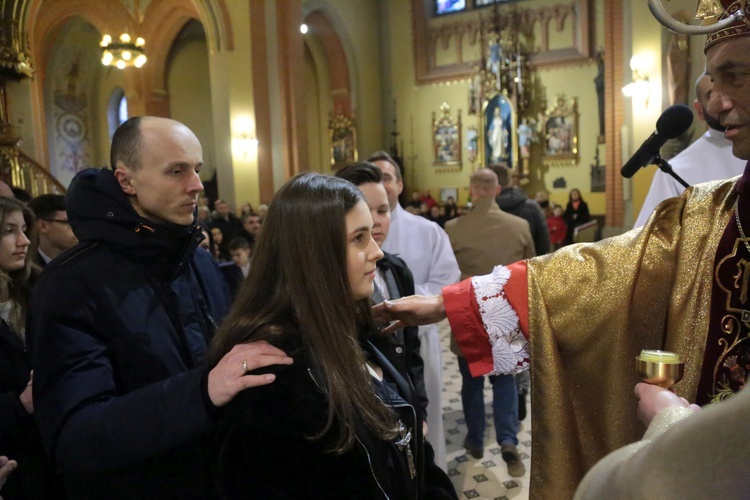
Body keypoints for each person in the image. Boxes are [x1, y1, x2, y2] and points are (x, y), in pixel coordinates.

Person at [373, 4, 750, 495]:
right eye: (711, 83)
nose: (715, 107)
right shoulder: (709, 215)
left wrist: (673, 429)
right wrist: (453, 301)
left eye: (734, 76)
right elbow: (602, 271)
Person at [30, 116, 293, 499]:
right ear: (126, 181)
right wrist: (200, 392)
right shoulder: (71, 282)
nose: (196, 185)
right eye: (176, 171)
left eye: (197, 170)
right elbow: (76, 436)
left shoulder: (198, 262)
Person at [210, 173, 457, 499]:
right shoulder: (273, 374)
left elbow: (410, 450)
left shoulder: (356, 325)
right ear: (313, 253)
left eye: (372, 233)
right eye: (358, 238)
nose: (377, 252)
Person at [368, 150, 460, 470]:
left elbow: (447, 278)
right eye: (375, 177)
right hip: (370, 345)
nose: (382, 184)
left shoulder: (428, 230)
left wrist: (402, 299)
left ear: (400, 183)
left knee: (424, 411)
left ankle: (430, 472)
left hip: (419, 334)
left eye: (387, 177)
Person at [444, 169, 535, 476]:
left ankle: (475, 439)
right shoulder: (520, 226)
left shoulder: (452, 228)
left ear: (472, 191)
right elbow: (531, 273)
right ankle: (508, 439)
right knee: (505, 381)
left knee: (471, 383)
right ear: (497, 190)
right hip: (505, 315)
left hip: (466, 315)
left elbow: (446, 276)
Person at [335, 162, 428, 421]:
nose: (376, 221)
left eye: (383, 210)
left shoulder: (396, 270)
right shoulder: (336, 282)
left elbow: (411, 352)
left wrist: (419, 410)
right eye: (366, 210)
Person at [0, 197, 60, 498]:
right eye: (8, 231)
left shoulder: (38, 289)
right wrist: (20, 405)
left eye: (24, 230)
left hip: (50, 453)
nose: (23, 241)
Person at [634, 72, 746, 228]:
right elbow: (648, 240)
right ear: (699, 110)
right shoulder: (675, 171)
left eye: (729, 92)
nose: (723, 102)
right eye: (711, 94)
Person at [492, 164, 550, 255]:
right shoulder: (532, 207)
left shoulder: (482, 210)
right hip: (524, 265)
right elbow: (543, 245)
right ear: (509, 180)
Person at [27, 194, 79, 267]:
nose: (77, 229)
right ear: (43, 226)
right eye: (67, 222)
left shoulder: (86, 261)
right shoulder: (26, 268)